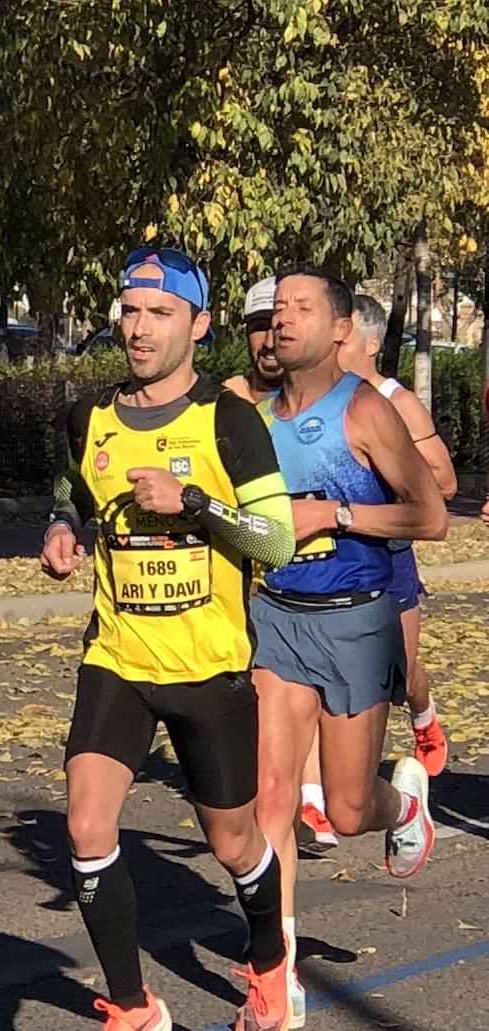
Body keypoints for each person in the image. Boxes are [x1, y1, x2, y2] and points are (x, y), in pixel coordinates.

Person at [42, 246, 297, 1031]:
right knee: (86, 825)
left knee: (234, 842)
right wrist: (60, 529)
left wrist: (193, 502)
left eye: (158, 313)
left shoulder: (229, 420)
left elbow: (277, 540)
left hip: (210, 666)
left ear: (199, 323)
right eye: (129, 310)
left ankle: (269, 964)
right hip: (117, 656)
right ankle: (131, 1005)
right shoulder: (93, 418)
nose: (138, 328)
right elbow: (70, 491)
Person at [251, 263, 447, 1028]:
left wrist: (331, 512)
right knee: (273, 795)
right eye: (276, 308)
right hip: (277, 617)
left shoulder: (363, 410)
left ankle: (403, 806)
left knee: (347, 802)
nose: (282, 319)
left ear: (340, 330)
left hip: (356, 618)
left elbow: (428, 515)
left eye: (302, 307)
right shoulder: (254, 416)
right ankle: (276, 974)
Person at [284, 294, 459, 853]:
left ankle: (424, 718)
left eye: (346, 335)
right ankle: (311, 798)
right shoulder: (294, 401)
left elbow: (443, 487)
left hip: (383, 562)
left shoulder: (391, 402)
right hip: (306, 579)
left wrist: (366, 489)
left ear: (368, 342)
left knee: (403, 677)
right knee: (305, 689)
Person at [222, 276, 283, 404]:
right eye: (260, 327)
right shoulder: (225, 399)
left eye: (279, 327)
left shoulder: (324, 404)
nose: (269, 343)